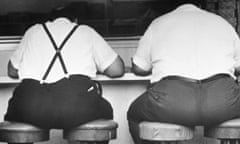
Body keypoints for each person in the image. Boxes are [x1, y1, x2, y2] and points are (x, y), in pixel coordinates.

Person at [127, 0, 240, 143]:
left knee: (134, 114)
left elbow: (139, 68)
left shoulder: (158, 24)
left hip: (170, 102)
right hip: (223, 101)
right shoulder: (222, 23)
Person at [4, 8, 124, 134]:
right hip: (75, 106)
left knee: (16, 113)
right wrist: (96, 68)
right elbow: (117, 70)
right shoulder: (85, 31)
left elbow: (12, 70)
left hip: (29, 107)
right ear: (75, 21)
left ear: (50, 21)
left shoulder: (33, 31)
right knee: (106, 110)